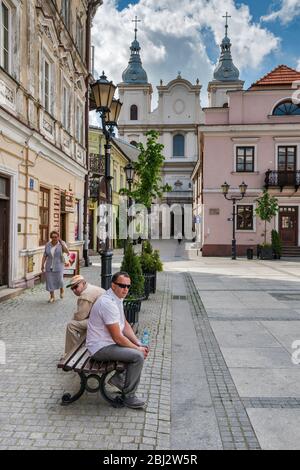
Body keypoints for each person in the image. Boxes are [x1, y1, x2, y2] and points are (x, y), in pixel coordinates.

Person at [86, 271, 149, 409]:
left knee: (139, 350)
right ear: (113, 285)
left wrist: (138, 342)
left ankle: (119, 379)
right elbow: (118, 337)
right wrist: (137, 349)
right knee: (138, 356)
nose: (126, 289)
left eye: (128, 286)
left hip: (108, 343)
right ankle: (129, 396)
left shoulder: (116, 298)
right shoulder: (107, 303)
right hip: (100, 348)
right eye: (122, 285)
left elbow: (124, 324)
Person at [64, 275, 105, 355]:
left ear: (83, 283)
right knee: (82, 324)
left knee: (71, 325)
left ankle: (71, 353)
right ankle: (83, 348)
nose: (74, 290)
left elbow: (80, 316)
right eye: (72, 289)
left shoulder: (85, 295)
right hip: (105, 319)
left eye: (76, 286)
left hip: (102, 321)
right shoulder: (91, 288)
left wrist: (73, 319)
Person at [41, 231, 69, 303]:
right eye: (52, 237)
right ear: (51, 237)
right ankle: (52, 296)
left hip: (59, 265)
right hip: (49, 265)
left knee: (59, 279)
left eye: (56, 237)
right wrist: (42, 265)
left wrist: (62, 243)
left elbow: (67, 252)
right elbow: (45, 255)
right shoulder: (48, 245)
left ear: (58, 237)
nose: (54, 238)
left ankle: (61, 289)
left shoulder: (61, 244)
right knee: (49, 281)